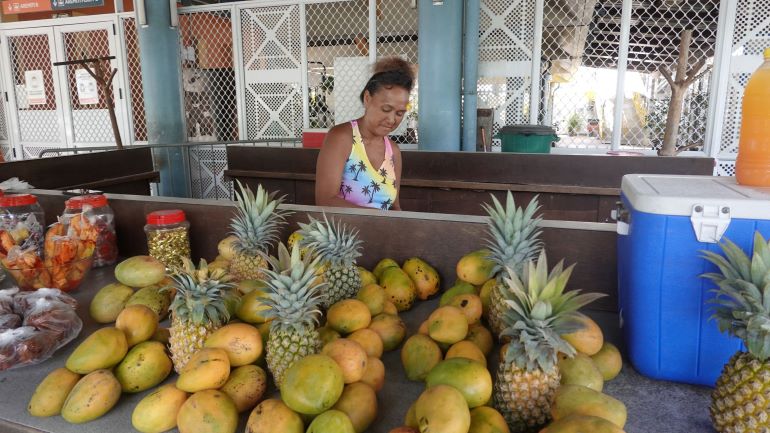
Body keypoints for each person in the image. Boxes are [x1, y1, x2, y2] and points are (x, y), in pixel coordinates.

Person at [315, 57, 414, 210]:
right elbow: (325, 200)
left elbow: (395, 207)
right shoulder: (341, 138)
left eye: (400, 113)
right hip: (345, 232)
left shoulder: (393, 152)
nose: (392, 119)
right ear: (367, 98)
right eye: (386, 109)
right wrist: (378, 220)